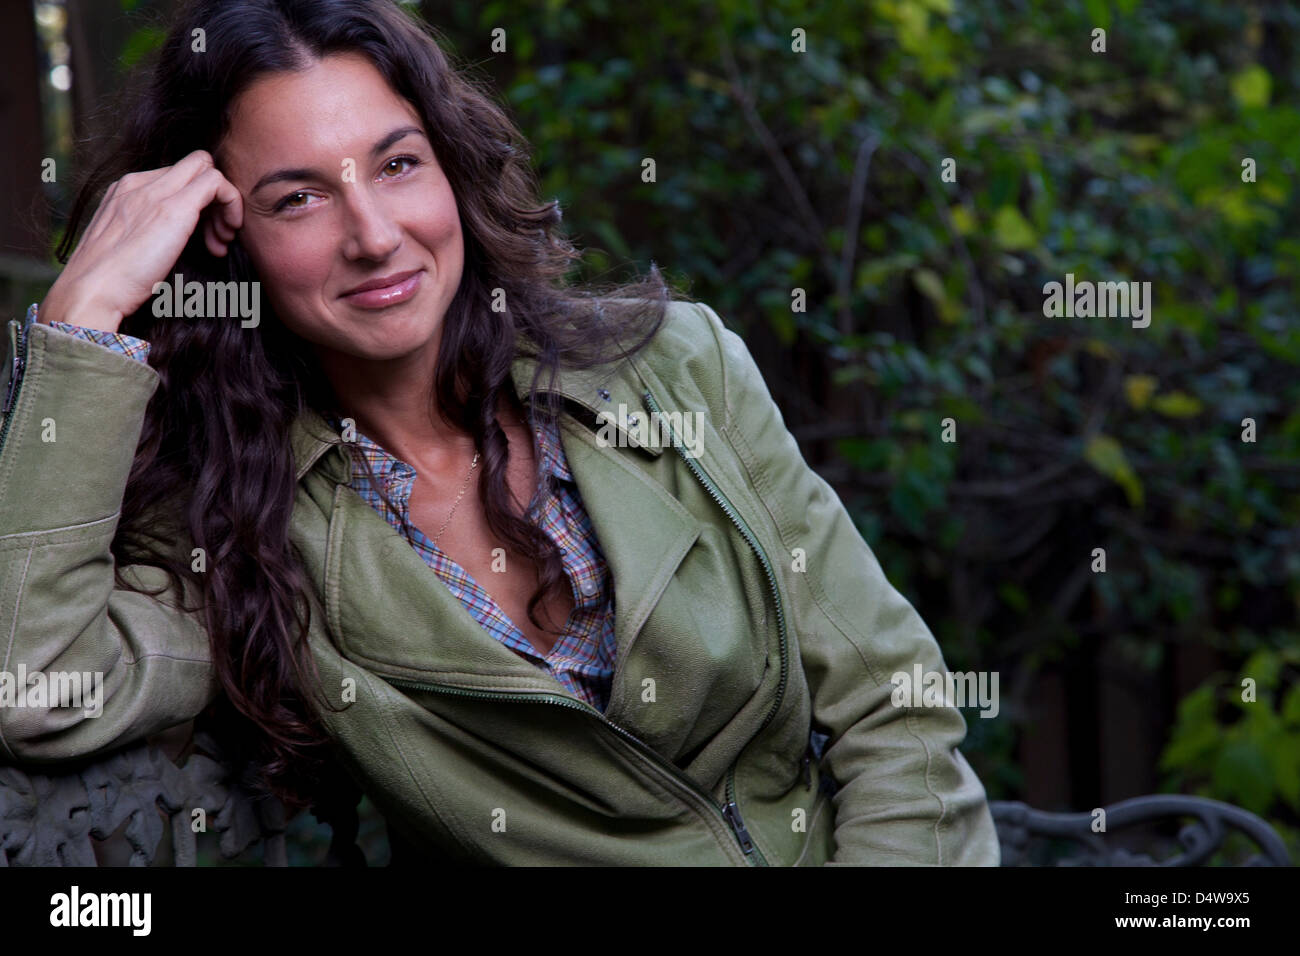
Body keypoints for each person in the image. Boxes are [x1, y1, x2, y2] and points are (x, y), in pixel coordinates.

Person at [0, 0, 999, 866]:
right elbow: (31, 677)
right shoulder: (246, 531)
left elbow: (895, 709)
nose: (375, 233)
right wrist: (84, 313)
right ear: (228, 238)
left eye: (397, 164)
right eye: (296, 196)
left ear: (450, 167)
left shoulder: (674, 368)